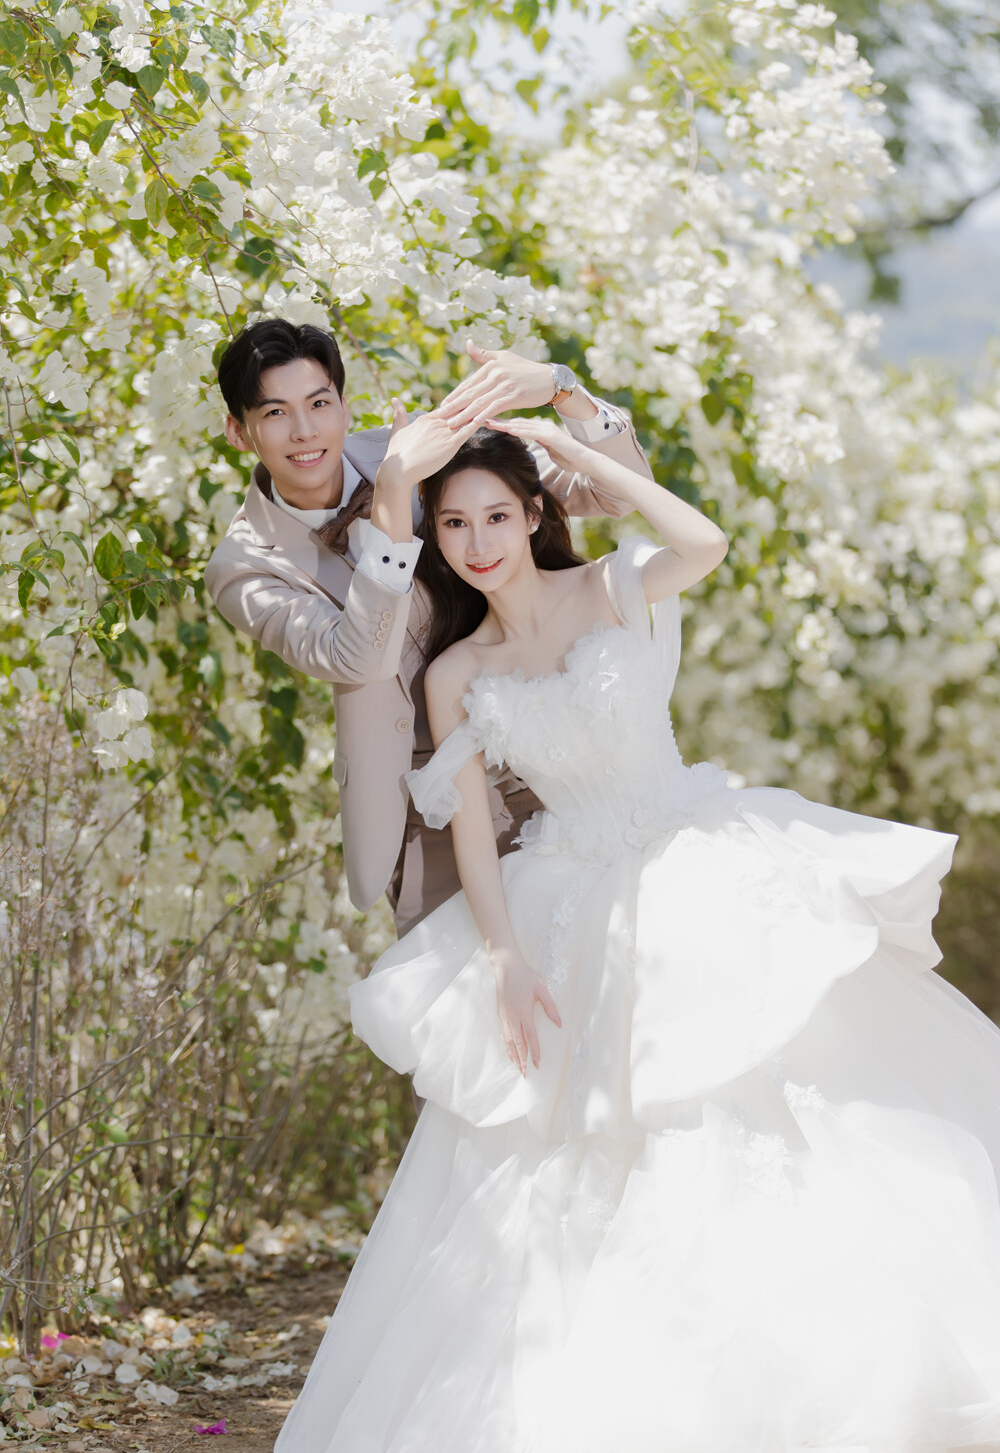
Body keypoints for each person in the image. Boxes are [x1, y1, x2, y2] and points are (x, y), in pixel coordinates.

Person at [275, 416, 1000, 1452]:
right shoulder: (457, 672)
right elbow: (472, 834)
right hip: (567, 894)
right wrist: (503, 957)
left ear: (534, 514)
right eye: (455, 524)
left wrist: (579, 450)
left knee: (762, 1080)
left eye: (497, 516)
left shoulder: (610, 586)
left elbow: (703, 542)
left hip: (694, 860)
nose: (478, 542)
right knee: (575, 1137)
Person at [204, 319, 653, 934]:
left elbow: (615, 495)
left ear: (344, 405)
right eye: (275, 413)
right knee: (470, 986)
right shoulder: (244, 566)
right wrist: (392, 497)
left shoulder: (419, 444)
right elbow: (358, 658)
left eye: (319, 403)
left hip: (550, 755)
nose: (305, 431)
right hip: (428, 806)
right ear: (238, 431)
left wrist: (562, 390)